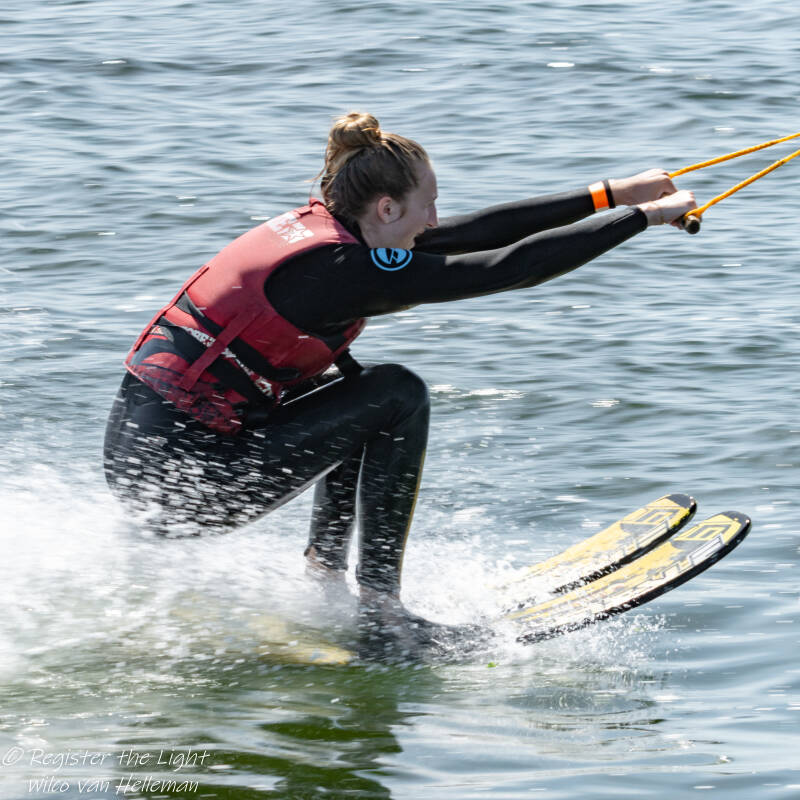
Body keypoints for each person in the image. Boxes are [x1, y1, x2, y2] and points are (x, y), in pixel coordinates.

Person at [104, 111, 697, 657]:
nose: (434, 220)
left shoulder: (329, 233)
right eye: (427, 205)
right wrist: (642, 219)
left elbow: (473, 233)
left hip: (153, 468)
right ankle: (382, 611)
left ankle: (325, 580)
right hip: (188, 489)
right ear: (386, 208)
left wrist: (614, 194)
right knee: (396, 394)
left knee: (361, 396)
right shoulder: (342, 271)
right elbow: (509, 267)